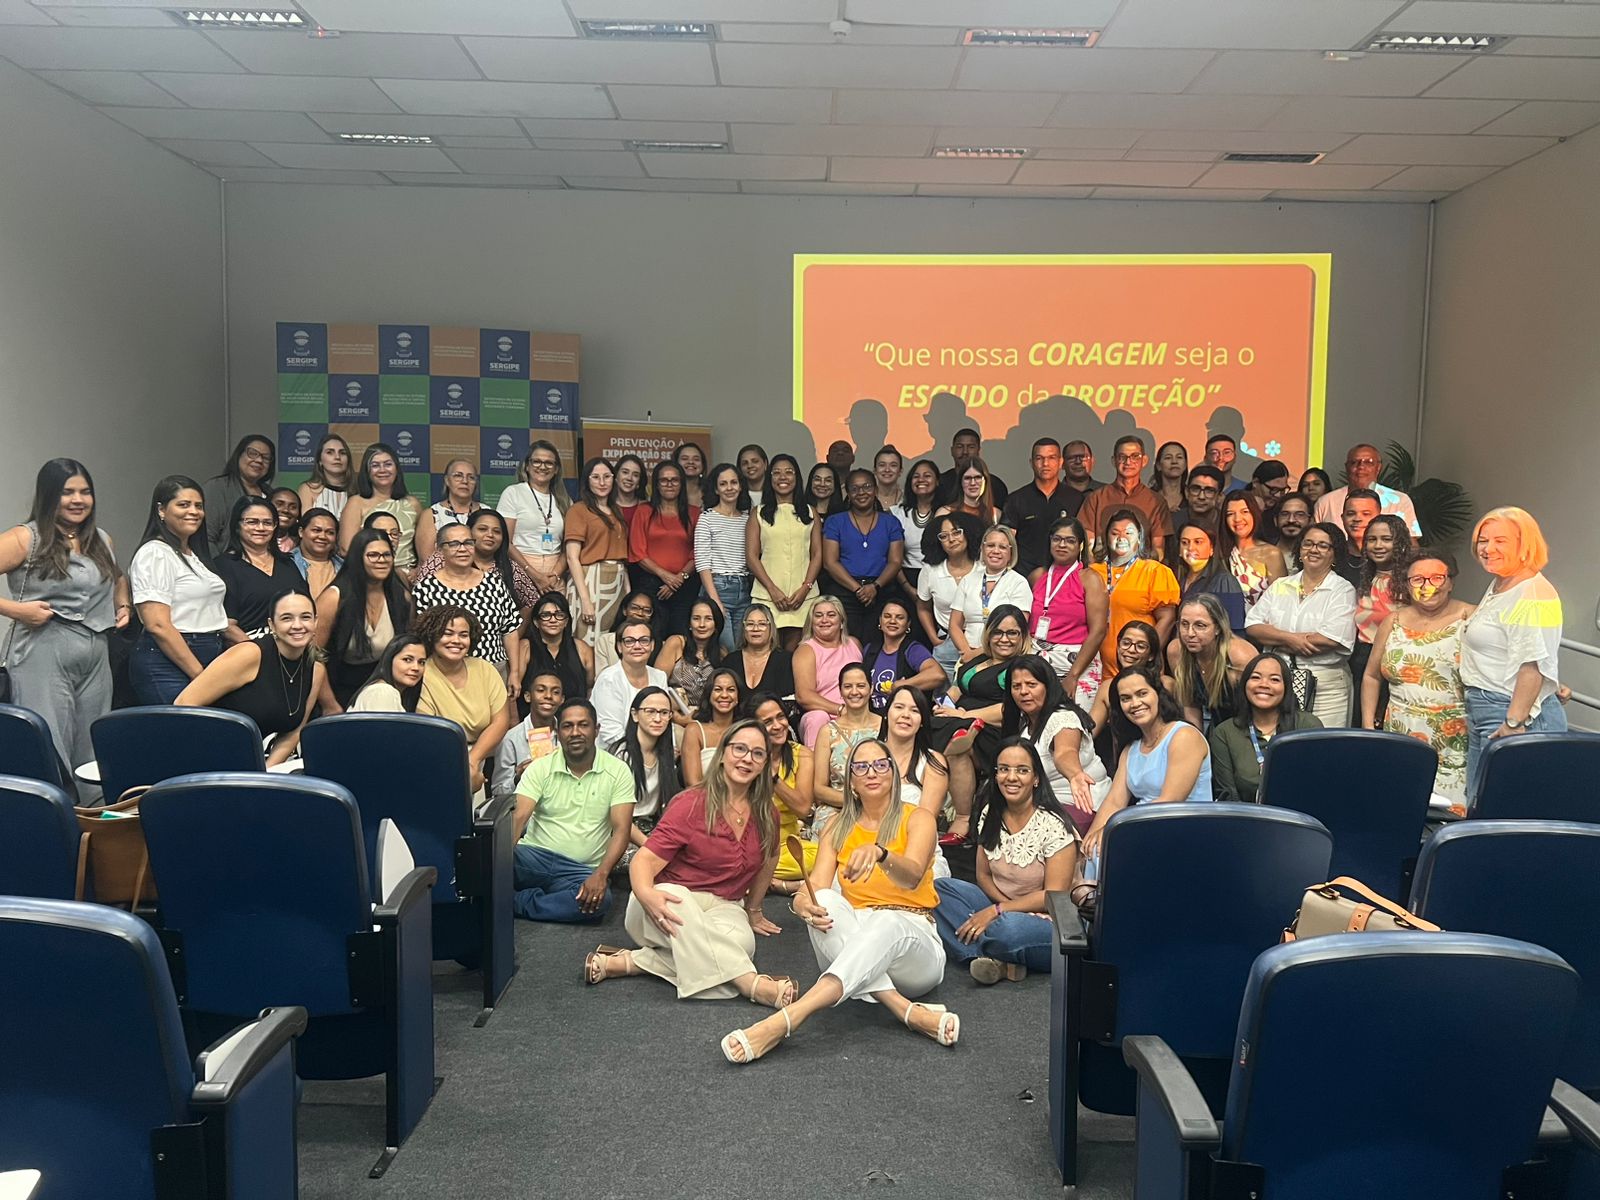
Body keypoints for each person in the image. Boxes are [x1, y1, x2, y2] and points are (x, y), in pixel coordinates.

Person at [722, 739, 953, 1063]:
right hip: (856, 938)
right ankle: (904, 1009)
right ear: (851, 781)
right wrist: (802, 905)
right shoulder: (836, 826)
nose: (871, 772)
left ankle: (790, 1018)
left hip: (913, 946)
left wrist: (880, 853)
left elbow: (912, 876)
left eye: (880, 764)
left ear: (893, 773)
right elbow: (814, 887)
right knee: (826, 899)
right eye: (861, 767)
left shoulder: (918, 818)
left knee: (886, 921)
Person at [593, 717, 789, 1003]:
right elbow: (643, 861)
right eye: (739, 749)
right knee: (696, 920)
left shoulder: (767, 813)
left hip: (723, 905)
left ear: (765, 764)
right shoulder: (691, 803)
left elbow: (770, 856)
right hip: (664, 901)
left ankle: (633, 962)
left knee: (741, 945)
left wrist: (754, 909)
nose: (747, 758)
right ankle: (750, 984)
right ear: (722, 754)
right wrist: (646, 894)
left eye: (757, 753)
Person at [0, 459, 128, 782]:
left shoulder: (101, 539)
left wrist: (123, 604)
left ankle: (90, 813)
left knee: (92, 748)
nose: (78, 500)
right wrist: (16, 610)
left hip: (96, 652)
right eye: (67, 492)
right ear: (49, 495)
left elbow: (117, 577)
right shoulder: (25, 538)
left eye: (85, 492)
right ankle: (51, 811)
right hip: (42, 649)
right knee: (48, 744)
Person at [934, 737, 1077, 983]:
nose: (1011, 777)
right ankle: (1000, 960)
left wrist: (997, 912)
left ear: (1036, 778)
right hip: (1001, 907)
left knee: (1008, 929)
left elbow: (1053, 896)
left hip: (1048, 920)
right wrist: (1000, 908)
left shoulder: (1055, 825)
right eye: (1004, 769)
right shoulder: (990, 813)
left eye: (1022, 770)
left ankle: (986, 953)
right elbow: (983, 875)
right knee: (939, 890)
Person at [1460, 507, 1566, 796]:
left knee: (1502, 804)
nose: (1488, 549)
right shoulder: (1502, 582)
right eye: (1483, 541)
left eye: (1500, 541)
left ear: (1524, 545)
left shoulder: (1533, 593)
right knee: (1479, 801)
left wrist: (1513, 722)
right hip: (1486, 706)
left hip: (1511, 713)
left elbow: (1533, 664)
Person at [512, 698, 634, 923]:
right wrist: (496, 865)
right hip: (533, 858)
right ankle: (527, 899)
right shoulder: (540, 767)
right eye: (568, 726)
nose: (575, 732)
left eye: (583, 725)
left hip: (579, 870)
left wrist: (601, 874)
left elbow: (622, 830)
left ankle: (515, 902)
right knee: (487, 866)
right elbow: (518, 818)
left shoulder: (618, 771)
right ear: (557, 732)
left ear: (596, 730)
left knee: (600, 902)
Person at [1361, 556, 1473, 802]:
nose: (1427, 586)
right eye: (1418, 579)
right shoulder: (1393, 621)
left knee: (1451, 810)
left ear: (1450, 582)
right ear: (1407, 584)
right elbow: (1371, 676)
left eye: (1436, 578)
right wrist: (1369, 727)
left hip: (1455, 739)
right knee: (1399, 804)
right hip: (1400, 733)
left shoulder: (1471, 618)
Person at [175, 589, 322, 765]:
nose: (297, 625)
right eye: (286, 618)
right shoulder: (249, 654)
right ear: (272, 625)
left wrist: (264, 773)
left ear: (315, 622)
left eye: (305, 617)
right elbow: (184, 704)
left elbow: (293, 733)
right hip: (208, 755)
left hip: (252, 763)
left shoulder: (316, 670)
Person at [1081, 668, 1214, 859]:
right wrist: (1091, 839)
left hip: (1184, 831)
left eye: (1142, 693)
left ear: (1158, 695)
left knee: (1110, 849)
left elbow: (1169, 802)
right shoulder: (1131, 749)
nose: (1135, 703)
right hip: (1144, 827)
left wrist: (1114, 830)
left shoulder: (1184, 735)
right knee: (1094, 850)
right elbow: (1114, 801)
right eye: (1126, 698)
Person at [1244, 523, 1358, 728]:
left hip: (1327, 688)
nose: (1314, 549)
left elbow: (1331, 638)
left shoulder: (1342, 590)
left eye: (1323, 545)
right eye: (1308, 543)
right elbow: (1252, 626)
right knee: (1285, 742)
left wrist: (1275, 638)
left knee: (1324, 743)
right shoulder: (1281, 585)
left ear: (1334, 553)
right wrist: (1290, 639)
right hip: (1280, 682)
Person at [127, 476, 228, 705]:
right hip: (169, 661)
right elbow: (158, 625)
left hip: (208, 652)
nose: (193, 512)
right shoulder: (155, 552)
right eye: (183, 505)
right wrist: (200, 675)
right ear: (161, 510)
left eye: (198, 506)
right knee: (182, 726)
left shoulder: (193, 555)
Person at [1004, 654, 1109, 835]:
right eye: (1016, 686)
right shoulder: (1023, 724)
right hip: (1040, 804)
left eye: (1031, 684)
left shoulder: (1063, 717)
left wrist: (1075, 775)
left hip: (1080, 802)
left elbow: (1065, 753)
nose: (1023, 691)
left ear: (1048, 686)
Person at [416, 604, 516, 794]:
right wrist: (465, 768)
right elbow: (429, 733)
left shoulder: (484, 668)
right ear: (432, 635)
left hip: (481, 758)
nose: (456, 640)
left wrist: (472, 761)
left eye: (463, 635)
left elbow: (501, 721)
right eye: (447, 633)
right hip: (439, 760)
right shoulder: (422, 673)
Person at [942, 604, 1034, 810]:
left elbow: (1011, 709)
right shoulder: (980, 658)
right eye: (997, 632)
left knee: (957, 746)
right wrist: (942, 706)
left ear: (1023, 636)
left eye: (1012, 633)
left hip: (992, 730)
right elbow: (958, 687)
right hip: (958, 717)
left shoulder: (1020, 667)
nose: (1004, 639)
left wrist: (964, 715)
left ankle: (962, 816)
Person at [315, 528, 411, 709]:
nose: (381, 560)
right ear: (358, 559)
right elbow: (313, 657)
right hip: (339, 690)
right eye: (373, 555)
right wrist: (330, 705)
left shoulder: (401, 596)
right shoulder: (334, 598)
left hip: (387, 689)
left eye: (386, 555)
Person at [1210, 652, 1324, 803]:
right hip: (1246, 815)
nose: (1264, 684)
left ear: (1286, 687)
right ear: (1244, 684)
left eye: (1274, 679)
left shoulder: (1308, 726)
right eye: (1255, 677)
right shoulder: (1225, 733)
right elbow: (1227, 796)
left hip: (1298, 814)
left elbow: (1318, 785)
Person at [412, 523, 521, 678]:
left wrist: (515, 672)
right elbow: (419, 637)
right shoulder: (426, 588)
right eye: (454, 544)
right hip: (444, 673)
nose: (462, 549)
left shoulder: (494, 583)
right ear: (440, 549)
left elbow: (510, 630)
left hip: (494, 671)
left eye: (468, 543)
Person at [747, 452, 822, 653]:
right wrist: (772, 590)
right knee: (767, 653)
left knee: (798, 653)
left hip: (803, 597)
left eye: (789, 472)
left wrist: (805, 588)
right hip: (767, 596)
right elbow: (752, 557)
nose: (783, 477)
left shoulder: (810, 512)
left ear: (797, 477)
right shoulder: (758, 513)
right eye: (777, 473)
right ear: (770, 478)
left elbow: (817, 554)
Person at [1028, 517, 1106, 709]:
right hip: (1038, 662)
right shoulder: (1037, 576)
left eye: (1070, 540)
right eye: (1057, 539)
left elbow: (1098, 631)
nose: (1062, 545)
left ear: (1080, 545)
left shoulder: (1090, 579)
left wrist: (1073, 675)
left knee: (1073, 721)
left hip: (1077, 664)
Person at [1091, 509, 1180, 674]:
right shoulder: (1091, 572)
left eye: (1128, 533)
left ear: (1139, 538)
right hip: (1093, 669)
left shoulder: (1155, 571)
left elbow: (1167, 619)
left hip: (1139, 671)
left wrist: (1144, 656)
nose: (1121, 538)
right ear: (1106, 538)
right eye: (1115, 533)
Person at [823, 468, 905, 645]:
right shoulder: (835, 522)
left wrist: (874, 587)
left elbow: (895, 561)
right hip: (844, 592)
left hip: (881, 591)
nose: (861, 492)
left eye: (867, 486)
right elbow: (830, 562)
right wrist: (858, 589)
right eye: (855, 488)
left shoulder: (891, 522)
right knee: (846, 644)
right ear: (848, 493)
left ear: (875, 490)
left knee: (878, 644)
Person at [211, 496, 308, 643]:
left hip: (293, 646)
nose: (261, 528)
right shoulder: (223, 565)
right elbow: (227, 626)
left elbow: (306, 610)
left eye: (267, 523)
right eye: (252, 522)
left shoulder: (288, 564)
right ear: (237, 526)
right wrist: (258, 652)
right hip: (247, 648)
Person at [413, 508, 538, 613]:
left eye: (497, 531)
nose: (490, 535)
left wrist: (518, 632)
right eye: (482, 529)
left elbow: (532, 602)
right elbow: (419, 596)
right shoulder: (442, 559)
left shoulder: (510, 568)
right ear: (469, 532)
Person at [751, 693, 815, 894]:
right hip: (750, 843)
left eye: (780, 717)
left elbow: (803, 808)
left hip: (786, 844)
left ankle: (764, 879)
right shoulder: (744, 755)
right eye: (768, 722)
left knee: (825, 857)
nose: (778, 726)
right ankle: (772, 880)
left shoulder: (801, 754)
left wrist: (772, 775)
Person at [630, 459, 700, 639]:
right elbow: (637, 551)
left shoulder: (694, 513)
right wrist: (666, 576)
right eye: (664, 480)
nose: (669, 484)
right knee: (650, 635)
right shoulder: (644, 511)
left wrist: (679, 578)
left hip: (685, 585)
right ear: (656, 484)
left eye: (674, 480)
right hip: (651, 584)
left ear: (681, 483)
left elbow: (698, 552)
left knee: (681, 637)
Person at [1167, 594, 1255, 736]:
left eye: (1200, 626)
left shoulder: (1240, 656)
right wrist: (1197, 741)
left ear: (1218, 628)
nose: (1190, 633)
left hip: (1249, 728)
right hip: (1216, 728)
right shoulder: (1176, 652)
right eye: (1184, 624)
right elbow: (1190, 705)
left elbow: (1261, 710)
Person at [606, 685, 680, 854]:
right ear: (635, 715)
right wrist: (651, 847)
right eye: (650, 711)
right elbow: (616, 818)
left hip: (653, 827)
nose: (658, 718)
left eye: (664, 713)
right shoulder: (622, 755)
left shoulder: (666, 755)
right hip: (622, 831)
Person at [564, 456, 629, 649]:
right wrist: (585, 601)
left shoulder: (616, 511)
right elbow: (572, 557)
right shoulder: (578, 510)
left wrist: (628, 592)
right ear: (587, 480)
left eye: (607, 476)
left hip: (615, 582)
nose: (602, 482)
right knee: (585, 641)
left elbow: (621, 556)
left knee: (610, 643)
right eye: (595, 477)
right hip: (589, 580)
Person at [1350, 513, 1414, 704]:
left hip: (1399, 661)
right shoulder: (1363, 579)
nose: (1378, 545)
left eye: (1386, 539)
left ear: (1401, 543)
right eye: (1372, 540)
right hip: (1362, 660)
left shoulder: (1412, 581)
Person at [948, 525, 1032, 666]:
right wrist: (967, 652)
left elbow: (1018, 630)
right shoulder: (968, 580)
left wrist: (976, 654)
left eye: (1002, 547)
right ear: (983, 548)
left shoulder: (1019, 583)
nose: (996, 551)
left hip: (1002, 657)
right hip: (966, 655)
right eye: (991, 545)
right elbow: (954, 625)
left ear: (1011, 553)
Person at [810, 662, 882, 823]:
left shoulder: (886, 726)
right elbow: (819, 789)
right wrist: (855, 801)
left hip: (880, 807)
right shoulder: (827, 732)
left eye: (861, 686)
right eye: (848, 686)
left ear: (871, 689)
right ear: (840, 691)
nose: (854, 692)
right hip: (839, 808)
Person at [1002, 437, 1084, 578]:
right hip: (1024, 577)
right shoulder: (1016, 499)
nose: (1045, 463)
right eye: (1039, 458)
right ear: (1031, 463)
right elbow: (1005, 540)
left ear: (1061, 462)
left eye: (1051, 458)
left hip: (1065, 577)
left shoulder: (1076, 498)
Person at [1080, 436, 1172, 558]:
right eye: (1122, 457)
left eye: (1135, 456)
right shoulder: (1096, 498)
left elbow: (1158, 550)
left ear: (1144, 461)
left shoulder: (1156, 501)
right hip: (1102, 567)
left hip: (1142, 568)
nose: (1128, 462)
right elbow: (1087, 548)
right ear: (1114, 461)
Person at [337, 443, 423, 574]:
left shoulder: (413, 504)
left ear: (396, 468)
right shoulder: (356, 503)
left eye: (388, 464)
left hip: (408, 577)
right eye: (375, 465)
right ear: (367, 471)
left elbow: (423, 548)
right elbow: (346, 549)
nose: (382, 470)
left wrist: (417, 570)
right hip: (370, 574)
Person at [498, 441, 570, 596]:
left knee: (556, 612)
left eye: (549, 463)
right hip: (521, 571)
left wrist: (555, 575)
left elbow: (569, 546)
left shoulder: (565, 500)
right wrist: (533, 574)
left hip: (555, 576)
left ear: (556, 469)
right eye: (537, 461)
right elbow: (505, 541)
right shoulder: (513, 493)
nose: (542, 467)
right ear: (527, 466)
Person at [916, 512, 982, 678]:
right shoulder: (930, 570)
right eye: (944, 536)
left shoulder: (983, 567)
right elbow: (923, 607)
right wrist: (934, 638)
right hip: (946, 642)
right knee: (944, 692)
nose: (951, 539)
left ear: (967, 533)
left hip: (980, 641)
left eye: (956, 532)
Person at [695, 463, 751, 653]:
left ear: (741, 486)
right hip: (718, 586)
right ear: (716, 489)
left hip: (744, 589)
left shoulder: (747, 519)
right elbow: (702, 562)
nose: (729, 488)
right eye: (723, 484)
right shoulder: (707, 518)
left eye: (734, 482)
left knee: (741, 649)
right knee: (725, 648)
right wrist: (714, 600)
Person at [794, 596, 863, 748]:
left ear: (841, 621)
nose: (824, 620)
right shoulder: (806, 650)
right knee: (817, 717)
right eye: (818, 615)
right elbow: (803, 696)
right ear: (811, 622)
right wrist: (841, 710)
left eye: (831, 615)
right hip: (823, 714)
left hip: (856, 712)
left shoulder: (854, 644)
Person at [591, 617, 669, 748]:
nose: (637, 646)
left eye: (644, 640)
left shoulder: (659, 677)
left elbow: (664, 719)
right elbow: (611, 733)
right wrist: (640, 753)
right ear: (619, 647)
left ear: (652, 645)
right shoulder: (609, 679)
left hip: (652, 750)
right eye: (629, 641)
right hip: (615, 752)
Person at [1314, 443, 1422, 537]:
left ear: (1378, 468)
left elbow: (1411, 542)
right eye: (1354, 462)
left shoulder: (1400, 501)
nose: (1361, 466)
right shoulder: (1326, 502)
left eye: (1368, 462)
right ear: (1347, 467)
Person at [861, 599, 946, 715]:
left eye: (899, 617)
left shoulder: (913, 650)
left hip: (901, 715)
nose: (892, 621)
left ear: (908, 624)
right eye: (887, 616)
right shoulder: (869, 649)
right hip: (870, 716)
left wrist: (901, 685)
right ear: (880, 620)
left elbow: (938, 675)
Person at [881, 687, 953, 822]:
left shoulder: (933, 762)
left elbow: (925, 821)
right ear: (886, 713)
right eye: (899, 707)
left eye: (914, 710)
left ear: (922, 722)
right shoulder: (868, 754)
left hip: (913, 832)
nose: (906, 715)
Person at [492, 668, 564, 797]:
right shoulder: (510, 739)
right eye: (541, 690)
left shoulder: (568, 735)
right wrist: (518, 779)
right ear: (528, 696)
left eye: (556, 692)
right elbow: (498, 792)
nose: (548, 696)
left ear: (562, 699)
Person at [514, 591, 592, 706]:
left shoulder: (582, 648)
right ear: (536, 622)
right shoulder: (525, 647)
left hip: (573, 713)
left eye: (559, 615)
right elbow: (513, 690)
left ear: (566, 621)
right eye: (546, 615)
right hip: (533, 715)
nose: (553, 620)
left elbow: (590, 688)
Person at [203, 434, 275, 555]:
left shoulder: (270, 493)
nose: (259, 460)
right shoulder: (217, 487)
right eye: (253, 453)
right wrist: (220, 565)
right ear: (239, 455)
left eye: (266, 457)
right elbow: (206, 538)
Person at [657, 599, 725, 721]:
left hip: (708, 718)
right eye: (696, 618)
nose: (702, 624)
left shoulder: (722, 653)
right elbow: (655, 686)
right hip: (671, 715)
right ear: (689, 623)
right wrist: (678, 719)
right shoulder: (676, 643)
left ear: (716, 625)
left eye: (708, 619)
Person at [1173, 521, 1246, 633]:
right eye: (1184, 542)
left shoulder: (1224, 581)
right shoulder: (1175, 577)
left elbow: (1235, 630)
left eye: (1198, 542)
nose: (1190, 547)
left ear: (1212, 548)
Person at [682, 666, 745, 784]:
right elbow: (692, 784)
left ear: (738, 697)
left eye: (731, 690)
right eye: (718, 689)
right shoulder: (695, 730)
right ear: (709, 695)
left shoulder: (746, 731)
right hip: (703, 795)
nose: (724, 695)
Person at [1221, 493, 1286, 606]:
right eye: (1230, 514)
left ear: (1254, 514)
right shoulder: (1220, 553)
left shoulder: (1271, 553)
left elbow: (1281, 601)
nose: (1237, 519)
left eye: (1245, 512)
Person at [890, 458, 941, 595]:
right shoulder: (898, 513)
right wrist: (908, 588)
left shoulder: (946, 512)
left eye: (927, 475)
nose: (921, 480)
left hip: (939, 578)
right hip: (905, 579)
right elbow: (891, 557)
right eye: (916, 476)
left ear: (937, 481)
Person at [723, 604, 794, 699]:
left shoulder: (786, 660)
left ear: (771, 628)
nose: (755, 629)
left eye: (762, 624)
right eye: (750, 624)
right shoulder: (730, 661)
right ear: (743, 628)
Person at [350, 633, 427, 714]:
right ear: (389, 660)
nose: (416, 668)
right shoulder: (382, 691)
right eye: (407, 660)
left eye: (421, 662)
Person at [938, 426, 1009, 508]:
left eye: (971, 447)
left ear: (978, 450)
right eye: (960, 447)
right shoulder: (940, 483)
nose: (965, 452)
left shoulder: (995, 484)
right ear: (952, 450)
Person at [594, 590, 658, 676]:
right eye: (635, 608)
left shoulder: (656, 643)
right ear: (624, 610)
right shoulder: (605, 641)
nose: (640, 613)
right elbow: (601, 677)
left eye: (647, 610)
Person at [296, 432, 351, 521]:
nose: (337, 457)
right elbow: (307, 524)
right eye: (330, 452)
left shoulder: (358, 492)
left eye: (342, 453)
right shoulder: (308, 489)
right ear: (320, 461)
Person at [290, 507, 341, 597]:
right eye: (316, 530)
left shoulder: (344, 568)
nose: (322, 536)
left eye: (330, 532)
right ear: (301, 532)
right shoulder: (285, 564)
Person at [936, 456, 1000, 527]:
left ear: (986, 480)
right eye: (967, 478)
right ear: (961, 481)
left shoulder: (996, 515)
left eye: (978, 477)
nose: (972, 483)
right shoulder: (944, 513)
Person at [1169, 465, 1226, 542]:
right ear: (1186, 492)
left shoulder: (1226, 523)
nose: (1201, 497)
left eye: (1209, 491)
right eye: (1195, 489)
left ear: (1219, 496)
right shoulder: (1172, 522)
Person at [1337, 488, 1383, 584]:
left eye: (1366, 514)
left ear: (1379, 518)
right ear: (1342, 518)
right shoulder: (1333, 555)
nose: (1357, 519)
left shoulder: (1388, 558)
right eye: (1351, 514)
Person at [1271, 492, 1314, 570]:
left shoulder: (1318, 555)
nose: (1291, 520)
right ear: (1275, 520)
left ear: (1311, 521)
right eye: (1285, 514)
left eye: (1300, 514)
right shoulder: (1264, 553)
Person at [1147, 441, 1188, 516]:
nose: (1174, 462)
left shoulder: (1191, 496)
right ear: (1158, 465)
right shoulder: (1148, 497)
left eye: (1179, 457)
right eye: (1168, 458)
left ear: (1185, 465)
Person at [613, 453, 649, 529]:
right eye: (625, 472)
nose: (629, 478)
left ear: (639, 482)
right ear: (616, 476)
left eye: (635, 475)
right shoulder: (606, 507)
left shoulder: (647, 509)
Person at [673, 442, 707, 506]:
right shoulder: (669, 493)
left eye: (696, 459)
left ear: (703, 465)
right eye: (685, 459)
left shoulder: (712, 491)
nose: (691, 462)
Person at [269, 487, 301, 554]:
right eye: (279, 504)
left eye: (293, 507)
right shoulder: (253, 540)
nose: (286, 510)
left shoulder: (300, 546)